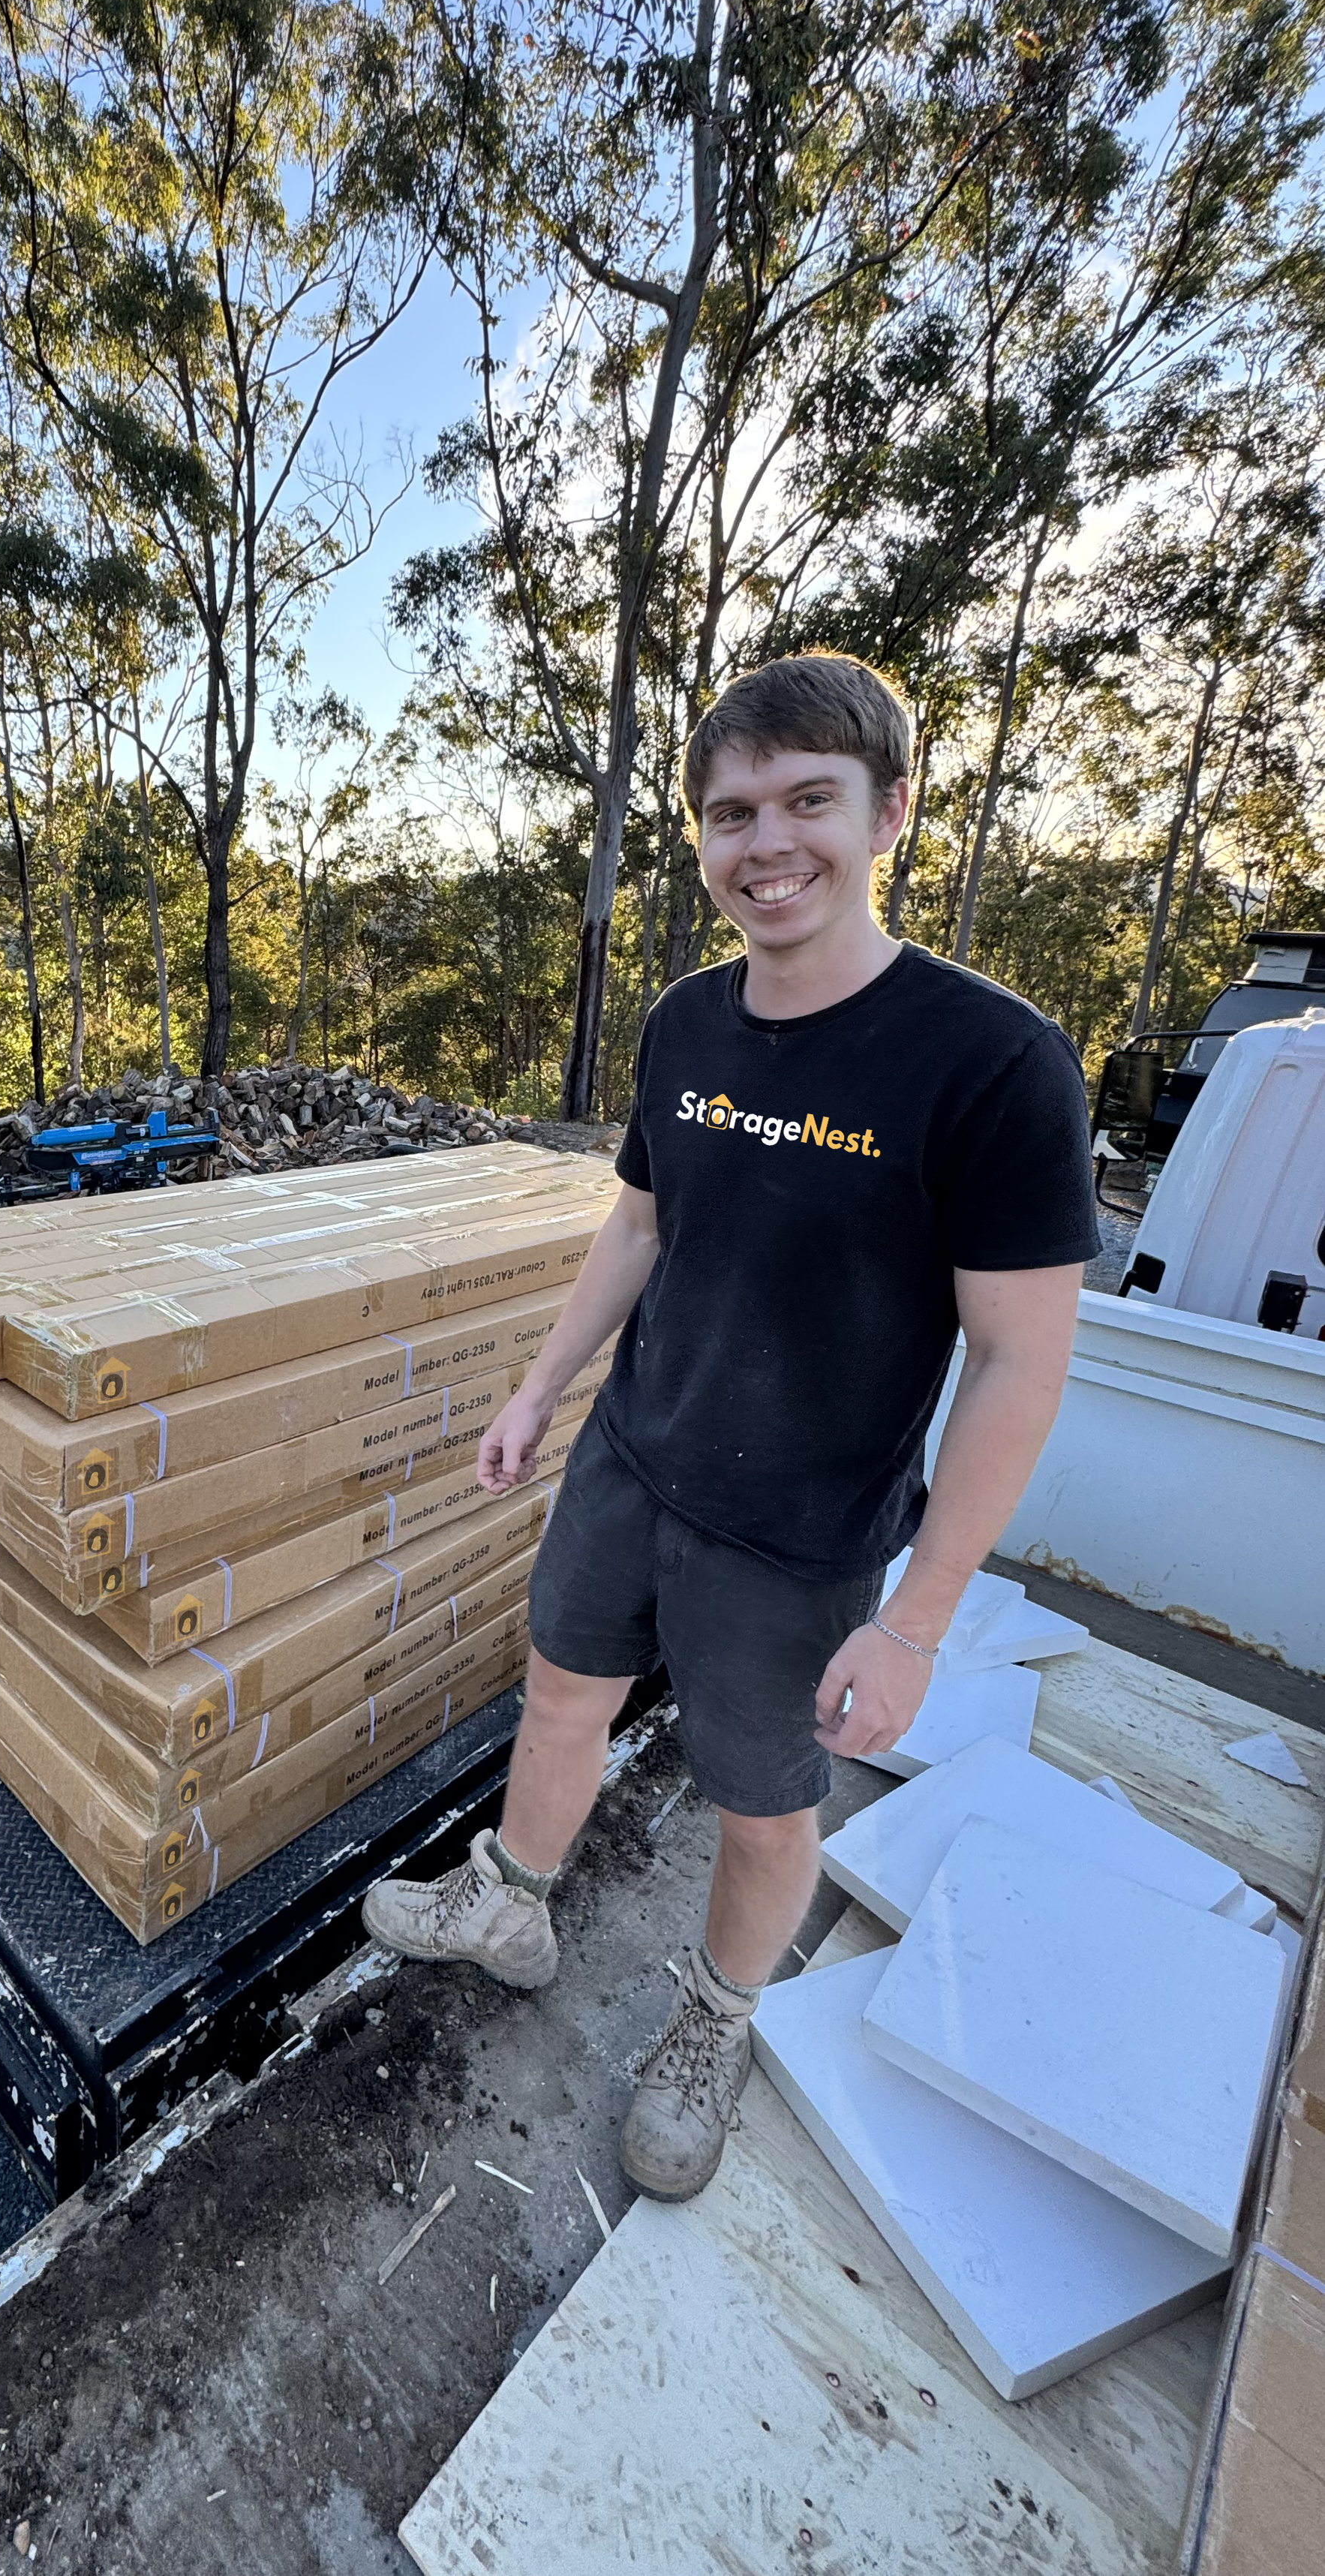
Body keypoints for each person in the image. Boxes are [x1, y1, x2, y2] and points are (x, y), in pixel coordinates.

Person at [362, 651, 1101, 2202]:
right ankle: (511, 1900)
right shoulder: (687, 1026)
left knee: (761, 1810)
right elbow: (635, 1227)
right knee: (558, 1704)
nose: (763, 843)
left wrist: (914, 1623)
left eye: (804, 802)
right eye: (727, 812)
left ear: (888, 812)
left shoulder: (990, 1063)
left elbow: (1016, 1364)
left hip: (802, 1535)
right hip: (632, 1460)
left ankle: (714, 2020)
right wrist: (538, 1391)